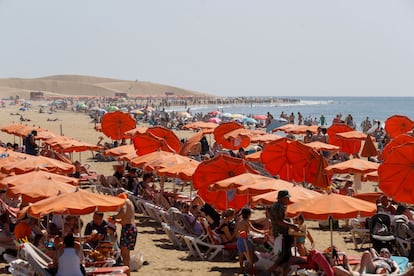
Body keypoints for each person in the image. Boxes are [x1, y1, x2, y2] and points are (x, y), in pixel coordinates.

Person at [267, 190, 300, 276]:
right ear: (282, 198)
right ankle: (268, 271)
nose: (288, 199)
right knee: (283, 256)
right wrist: (292, 226)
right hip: (281, 234)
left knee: (286, 256)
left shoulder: (280, 206)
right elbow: (279, 221)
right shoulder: (277, 206)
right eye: (287, 197)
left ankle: (281, 273)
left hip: (283, 233)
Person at [111, 193, 137, 276]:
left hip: (127, 229)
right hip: (132, 228)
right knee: (127, 253)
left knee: (124, 253)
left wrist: (114, 217)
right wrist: (116, 221)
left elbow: (122, 213)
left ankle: (127, 273)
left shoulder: (125, 202)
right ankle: (127, 272)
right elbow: (126, 219)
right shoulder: (130, 203)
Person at [333, 248, 400, 275]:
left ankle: (381, 273)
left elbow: (397, 268)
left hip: (384, 267)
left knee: (382, 270)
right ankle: (360, 273)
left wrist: (394, 273)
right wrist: (378, 256)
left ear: (389, 255)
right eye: (382, 252)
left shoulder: (391, 260)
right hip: (373, 266)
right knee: (366, 253)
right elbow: (372, 249)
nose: (384, 253)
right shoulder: (376, 257)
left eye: (386, 252)